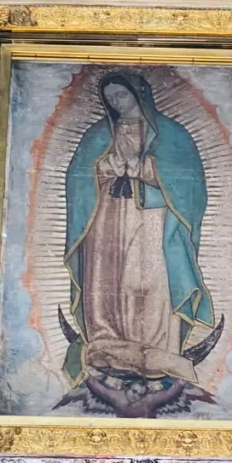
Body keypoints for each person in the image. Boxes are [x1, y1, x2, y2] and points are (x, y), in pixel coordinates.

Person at [62, 71, 214, 387]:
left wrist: (145, 169)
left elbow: (188, 183)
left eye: (122, 95)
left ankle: (158, 349)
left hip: (152, 217)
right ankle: (108, 344)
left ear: (139, 93)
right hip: (106, 216)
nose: (117, 102)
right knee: (107, 279)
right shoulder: (97, 134)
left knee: (151, 279)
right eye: (111, 98)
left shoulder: (170, 134)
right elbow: (78, 177)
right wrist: (105, 168)